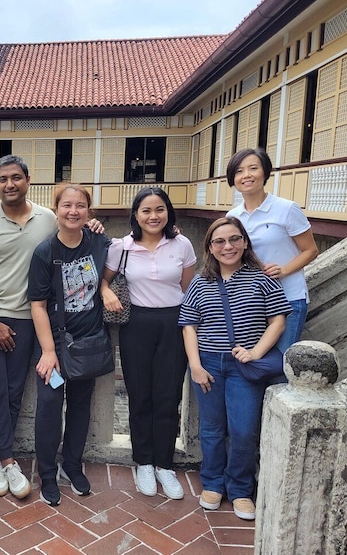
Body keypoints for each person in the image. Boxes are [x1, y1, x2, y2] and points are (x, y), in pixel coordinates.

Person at [0, 155, 103, 499]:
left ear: (28, 179)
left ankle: (9, 457)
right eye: (2, 179)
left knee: (15, 392)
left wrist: (96, 225)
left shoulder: (47, 218)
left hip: (38, 322)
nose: (10, 184)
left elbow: (78, 232)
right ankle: (7, 460)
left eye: (16, 177)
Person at [179, 216, 291, 521]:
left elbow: (278, 319)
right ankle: (213, 484)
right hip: (209, 364)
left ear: (244, 242)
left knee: (243, 430)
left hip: (246, 366)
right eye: (219, 242)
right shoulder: (201, 283)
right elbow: (189, 325)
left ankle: (241, 488)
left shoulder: (261, 278)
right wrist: (196, 366)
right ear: (210, 248)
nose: (227, 246)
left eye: (234, 240)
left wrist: (256, 352)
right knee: (212, 428)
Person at [101, 187, 197, 501]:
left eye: (159, 209)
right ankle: (143, 461)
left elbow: (189, 291)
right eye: (146, 210)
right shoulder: (122, 247)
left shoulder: (181, 244)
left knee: (168, 397)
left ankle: (164, 464)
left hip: (174, 323)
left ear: (168, 212)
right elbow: (102, 279)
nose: (153, 216)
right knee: (140, 395)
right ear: (136, 215)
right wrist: (106, 291)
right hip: (136, 325)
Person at [27, 184, 111, 506]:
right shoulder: (45, 252)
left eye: (80, 206)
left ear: (89, 211)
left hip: (87, 342)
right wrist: (49, 351)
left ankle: (72, 465)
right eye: (67, 206)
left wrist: (104, 288)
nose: (73, 211)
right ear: (56, 209)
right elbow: (37, 305)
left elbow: (130, 246)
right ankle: (47, 473)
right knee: (49, 407)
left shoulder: (98, 241)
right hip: (55, 344)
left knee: (80, 406)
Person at [225, 148, 318, 353]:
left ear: (265, 172)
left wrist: (283, 270)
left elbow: (310, 250)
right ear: (233, 178)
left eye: (253, 168)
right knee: (253, 361)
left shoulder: (286, 209)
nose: (246, 175)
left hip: (288, 297)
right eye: (239, 171)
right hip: (253, 301)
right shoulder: (233, 216)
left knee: (280, 363)